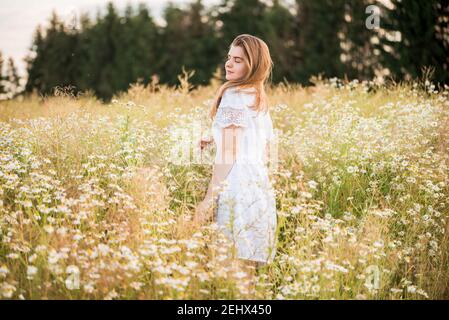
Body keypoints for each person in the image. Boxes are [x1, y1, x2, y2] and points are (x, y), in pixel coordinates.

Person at [195, 34, 277, 276]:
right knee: (247, 276)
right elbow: (261, 148)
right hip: (259, 191)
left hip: (236, 191)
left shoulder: (233, 96)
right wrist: (214, 138)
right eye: (229, 58)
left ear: (254, 65)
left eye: (238, 60)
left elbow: (229, 154)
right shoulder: (258, 98)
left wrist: (208, 199)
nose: (228, 64)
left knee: (230, 275)